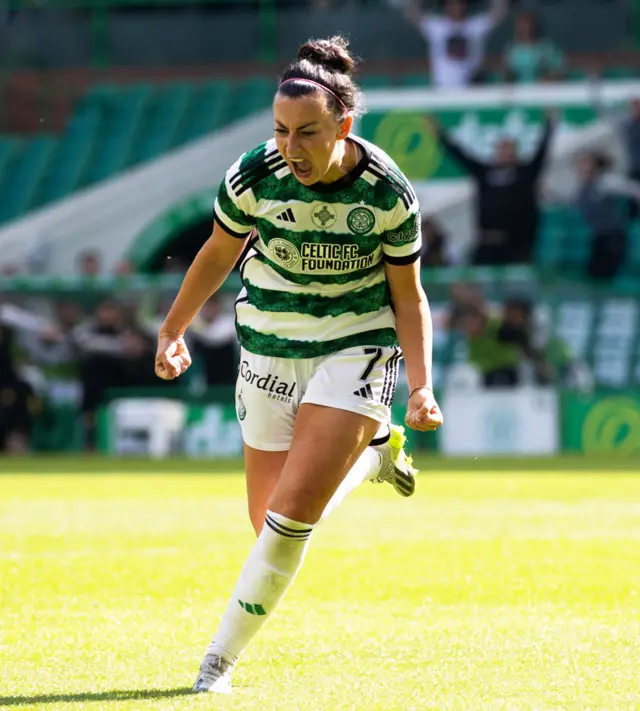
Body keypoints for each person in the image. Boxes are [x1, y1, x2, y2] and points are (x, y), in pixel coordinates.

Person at [154, 35, 443, 694]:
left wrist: (422, 385)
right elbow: (216, 254)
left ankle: (215, 665)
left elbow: (408, 293)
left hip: (357, 344)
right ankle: (373, 456)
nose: (292, 146)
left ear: (344, 124)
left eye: (308, 132)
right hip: (268, 348)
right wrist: (172, 329)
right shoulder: (255, 174)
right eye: (281, 130)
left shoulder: (388, 191)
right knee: (267, 525)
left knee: (291, 521)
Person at [430, 112, 556, 264]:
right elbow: (460, 156)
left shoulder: (525, 173)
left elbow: (541, 153)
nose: (505, 153)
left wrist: (550, 125)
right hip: (486, 243)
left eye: (508, 149)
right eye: (501, 149)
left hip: (516, 246)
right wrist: (440, 135)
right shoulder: (485, 172)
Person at [405, 0, 508, 89]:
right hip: (442, 88)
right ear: (446, 6)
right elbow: (411, 13)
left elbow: (499, 12)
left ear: (465, 5)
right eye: (451, 3)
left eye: (459, 3)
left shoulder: (475, 27)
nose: (455, 7)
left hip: (470, 88)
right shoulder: (437, 27)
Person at [503, 10, 565, 84]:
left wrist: (549, 79)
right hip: (518, 91)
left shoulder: (546, 47)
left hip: (542, 90)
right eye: (521, 27)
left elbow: (559, 69)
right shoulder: (511, 48)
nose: (525, 30)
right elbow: (508, 73)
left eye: (527, 26)